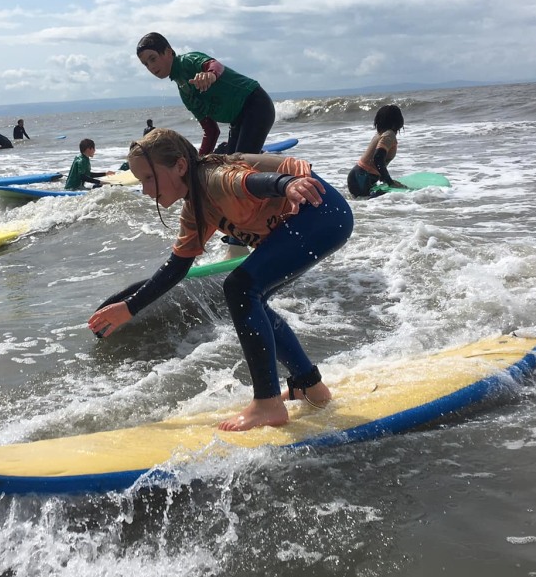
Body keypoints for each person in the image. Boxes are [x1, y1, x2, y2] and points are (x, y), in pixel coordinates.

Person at [88, 128, 354, 432]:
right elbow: (178, 266)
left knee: (241, 287)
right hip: (315, 216)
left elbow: (251, 181)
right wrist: (130, 307)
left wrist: (287, 184)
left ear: (180, 166)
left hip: (321, 211)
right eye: (141, 181)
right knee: (252, 296)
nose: (146, 190)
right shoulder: (195, 210)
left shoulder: (212, 179)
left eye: (149, 178)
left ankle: (267, 403)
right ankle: (309, 386)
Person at [136, 32, 275, 156]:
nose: (151, 67)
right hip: (238, 120)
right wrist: (198, 161)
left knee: (241, 166)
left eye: (153, 58)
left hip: (256, 104)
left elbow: (215, 65)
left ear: (168, 52)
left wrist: (211, 75)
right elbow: (211, 131)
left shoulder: (188, 61)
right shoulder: (185, 92)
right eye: (146, 64)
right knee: (232, 166)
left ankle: (283, 180)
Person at [347, 104, 404, 197]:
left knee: (365, 205)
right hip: (362, 177)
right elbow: (377, 158)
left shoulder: (381, 134)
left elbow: (376, 160)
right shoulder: (389, 134)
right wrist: (389, 181)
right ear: (398, 121)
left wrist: (383, 177)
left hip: (358, 176)